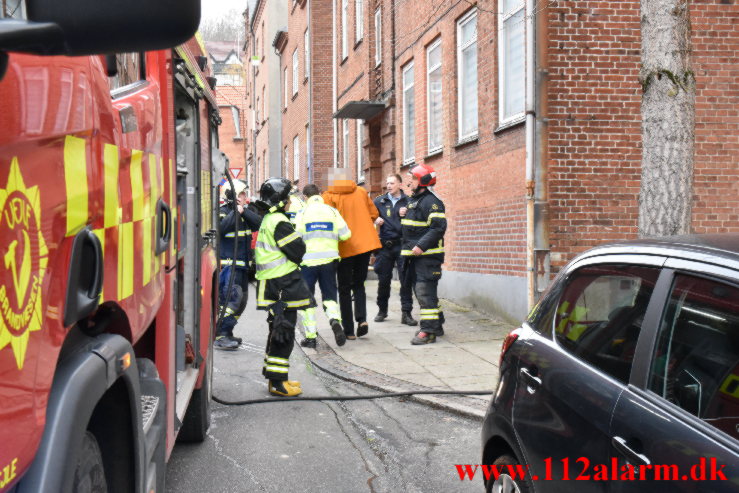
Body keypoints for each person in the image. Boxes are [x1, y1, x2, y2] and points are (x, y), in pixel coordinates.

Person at [254, 177, 315, 396]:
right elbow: (297, 250)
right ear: (280, 200)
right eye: (288, 197)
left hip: (274, 284)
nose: (290, 201)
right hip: (280, 285)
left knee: (278, 332)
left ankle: (276, 379)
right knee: (284, 333)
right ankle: (278, 383)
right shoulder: (279, 221)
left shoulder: (270, 219)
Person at [322, 168, 381, 340]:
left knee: (344, 288)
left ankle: (349, 331)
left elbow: (328, 220)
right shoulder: (361, 192)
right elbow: (374, 214)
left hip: (344, 246)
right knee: (359, 284)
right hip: (364, 245)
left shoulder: (328, 196)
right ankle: (362, 319)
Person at [294, 184, 351, 348]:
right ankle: (334, 321)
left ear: (305, 197)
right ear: (320, 194)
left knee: (307, 300)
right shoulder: (332, 211)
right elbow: (346, 234)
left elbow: (296, 238)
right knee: (330, 296)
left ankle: (311, 338)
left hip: (307, 264)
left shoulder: (302, 213)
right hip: (329, 262)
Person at [400, 164, 447, 345]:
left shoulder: (432, 202)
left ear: (421, 181)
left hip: (427, 257)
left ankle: (428, 331)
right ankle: (437, 323)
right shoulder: (415, 200)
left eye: (412, 178)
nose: (409, 181)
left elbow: (438, 228)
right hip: (415, 257)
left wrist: (421, 246)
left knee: (424, 293)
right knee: (425, 293)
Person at [215, 179, 262, 350]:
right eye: (242, 193)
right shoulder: (222, 212)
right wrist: (236, 212)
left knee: (241, 302)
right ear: (232, 195)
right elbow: (221, 229)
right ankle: (220, 334)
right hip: (229, 267)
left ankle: (227, 331)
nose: (245, 197)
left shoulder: (245, 213)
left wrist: (243, 211)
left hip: (243, 266)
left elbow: (259, 224)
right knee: (231, 301)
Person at [373, 174, 417, 326]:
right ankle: (382, 310)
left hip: (402, 244)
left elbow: (416, 220)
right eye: (387, 183)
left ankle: (406, 313)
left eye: (392, 183)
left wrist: (407, 214)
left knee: (405, 280)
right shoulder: (379, 201)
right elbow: (368, 216)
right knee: (383, 280)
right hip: (385, 245)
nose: (389, 186)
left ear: (400, 184)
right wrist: (375, 220)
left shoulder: (409, 201)